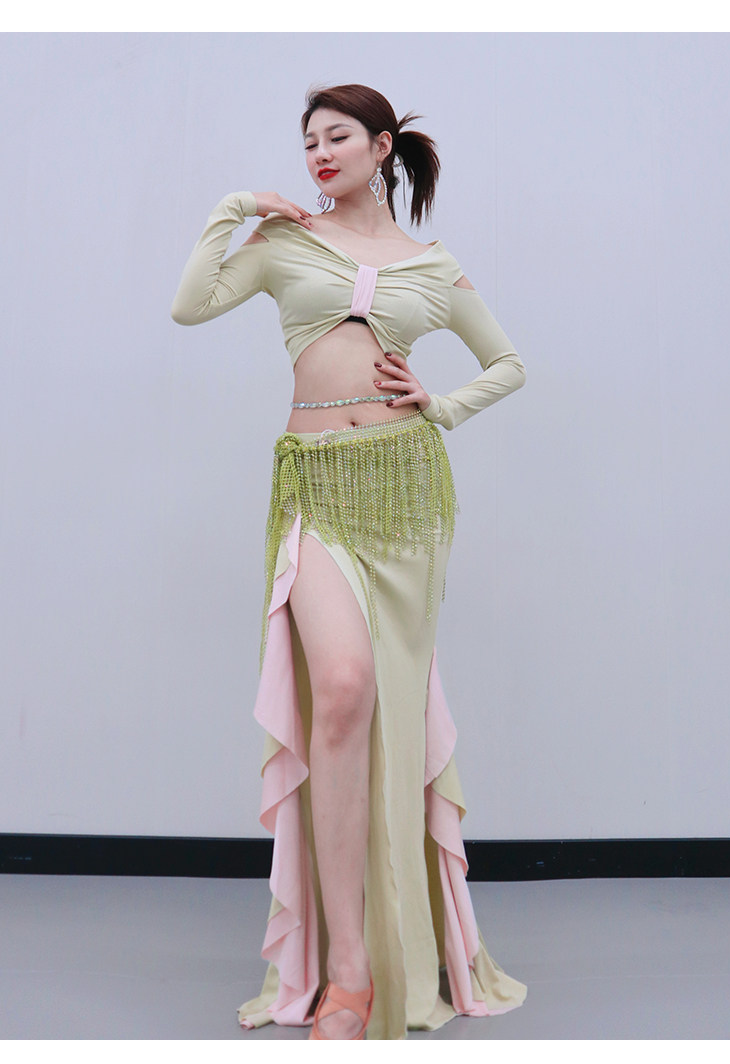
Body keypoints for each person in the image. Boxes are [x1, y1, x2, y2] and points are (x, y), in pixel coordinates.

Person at [171, 83, 527, 1041]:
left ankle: (398, 946)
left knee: (391, 711)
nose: (319, 154)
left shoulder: (433, 266)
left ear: (382, 147)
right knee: (338, 688)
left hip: (406, 496)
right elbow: (190, 306)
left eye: (337, 137)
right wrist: (235, 209)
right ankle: (345, 974)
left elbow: (508, 363)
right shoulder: (283, 241)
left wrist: (440, 404)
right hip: (317, 485)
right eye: (308, 142)